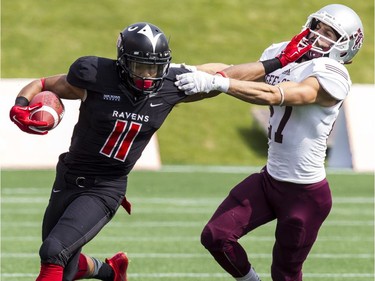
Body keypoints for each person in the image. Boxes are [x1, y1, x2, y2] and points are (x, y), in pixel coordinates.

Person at [9, 21, 309, 281]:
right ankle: (110, 271)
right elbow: (44, 83)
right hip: (68, 177)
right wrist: (21, 106)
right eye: (141, 66)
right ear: (123, 62)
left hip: (105, 188)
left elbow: (226, 74)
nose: (149, 75)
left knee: (52, 252)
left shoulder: (169, 86)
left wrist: (278, 61)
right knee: (66, 264)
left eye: (155, 67)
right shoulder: (94, 75)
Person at [175, 4, 364, 281]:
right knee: (216, 236)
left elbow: (275, 94)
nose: (316, 36)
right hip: (268, 181)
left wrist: (219, 84)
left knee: (285, 273)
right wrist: (182, 70)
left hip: (305, 194)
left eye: (328, 33)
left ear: (345, 46)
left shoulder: (333, 74)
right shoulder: (282, 52)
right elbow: (234, 71)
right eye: (316, 27)